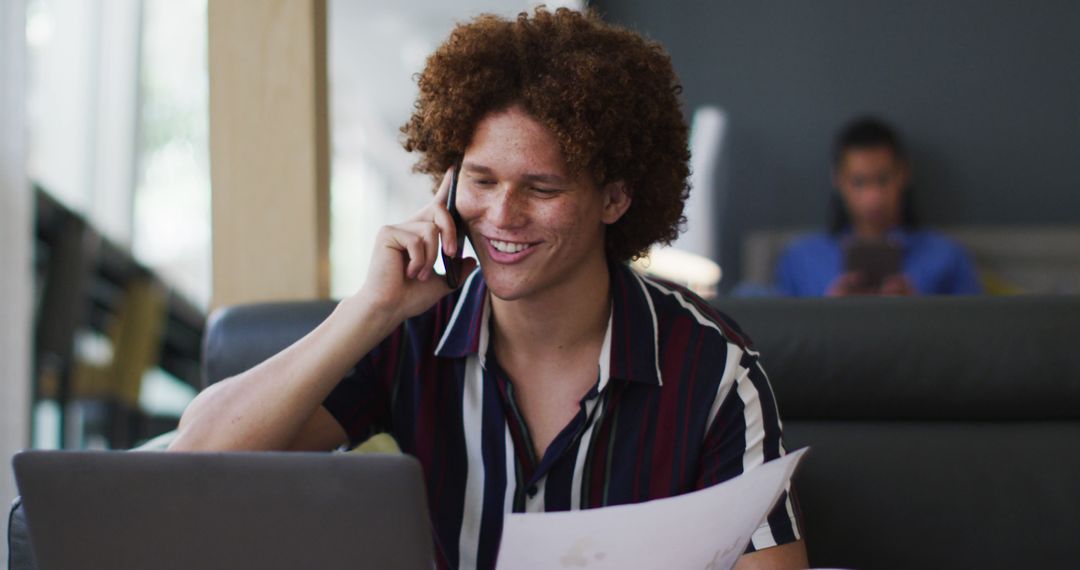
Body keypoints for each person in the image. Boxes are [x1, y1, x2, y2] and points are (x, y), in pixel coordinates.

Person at [171, 8, 806, 569]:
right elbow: (190, 462)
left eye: (542, 188)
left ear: (614, 198)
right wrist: (371, 309)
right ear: (446, 184)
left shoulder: (712, 365)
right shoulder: (407, 333)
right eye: (480, 180)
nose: (502, 216)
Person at [775, 116, 982, 297]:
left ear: (904, 174)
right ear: (837, 180)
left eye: (883, 180)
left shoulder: (947, 256)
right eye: (859, 182)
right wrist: (830, 314)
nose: (873, 197)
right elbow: (779, 337)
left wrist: (917, 314)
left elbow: (974, 334)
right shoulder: (801, 259)